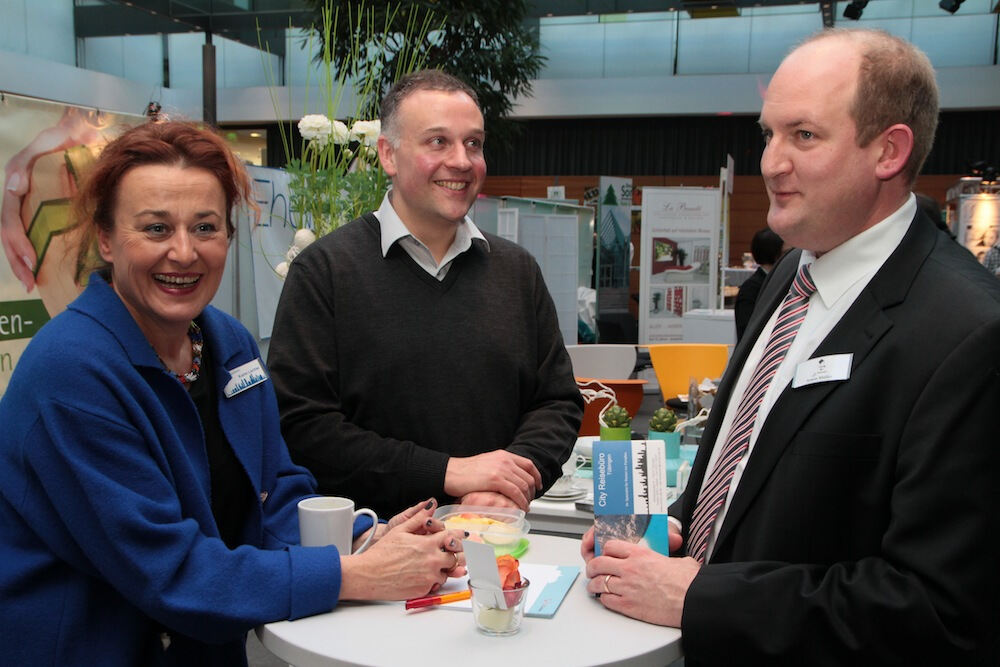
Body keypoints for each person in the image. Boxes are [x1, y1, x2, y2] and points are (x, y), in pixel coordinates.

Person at [582, 28, 1000, 666]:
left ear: (888, 150)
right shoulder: (792, 273)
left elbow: (937, 611)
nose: (772, 162)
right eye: (768, 134)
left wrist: (700, 595)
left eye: (803, 136)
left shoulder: (968, 335)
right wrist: (669, 533)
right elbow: (753, 465)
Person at [0, 121, 466, 666]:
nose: (183, 252)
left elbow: (274, 492)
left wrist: (368, 536)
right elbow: (171, 573)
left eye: (205, 227)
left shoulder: (226, 342)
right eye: (154, 229)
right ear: (105, 239)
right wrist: (355, 574)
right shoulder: (72, 374)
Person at [267, 70, 583, 518]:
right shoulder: (324, 273)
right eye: (438, 141)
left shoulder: (516, 272)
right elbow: (304, 427)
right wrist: (447, 472)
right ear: (388, 155)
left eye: (473, 143)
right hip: (374, 557)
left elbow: (556, 401)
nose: (461, 160)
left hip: (498, 542)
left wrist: (508, 482)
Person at [733, 227, 784, 342]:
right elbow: (747, 330)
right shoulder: (752, 288)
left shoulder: (778, 281)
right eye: (785, 253)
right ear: (775, 253)